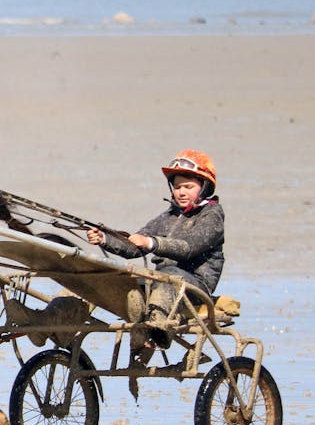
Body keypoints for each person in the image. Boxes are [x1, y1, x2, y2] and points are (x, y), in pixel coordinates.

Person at [86, 149, 225, 352]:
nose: (181, 192)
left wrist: (152, 243)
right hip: (161, 280)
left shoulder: (212, 216)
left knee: (167, 279)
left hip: (195, 286)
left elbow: (188, 248)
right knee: (108, 278)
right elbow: (134, 246)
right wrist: (105, 239)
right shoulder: (168, 216)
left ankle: (159, 334)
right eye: (177, 187)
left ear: (204, 188)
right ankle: (55, 322)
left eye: (188, 187)